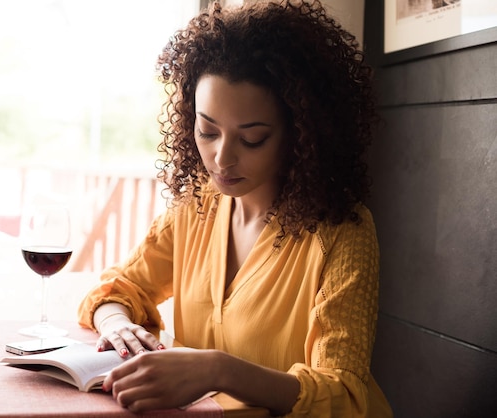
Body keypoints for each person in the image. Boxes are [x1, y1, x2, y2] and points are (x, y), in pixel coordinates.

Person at [77, 1, 393, 416]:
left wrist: (218, 370)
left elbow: (343, 394)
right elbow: (119, 290)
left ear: (301, 134)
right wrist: (118, 326)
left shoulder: (341, 231)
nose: (221, 160)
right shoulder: (197, 205)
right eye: (207, 130)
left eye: (252, 139)